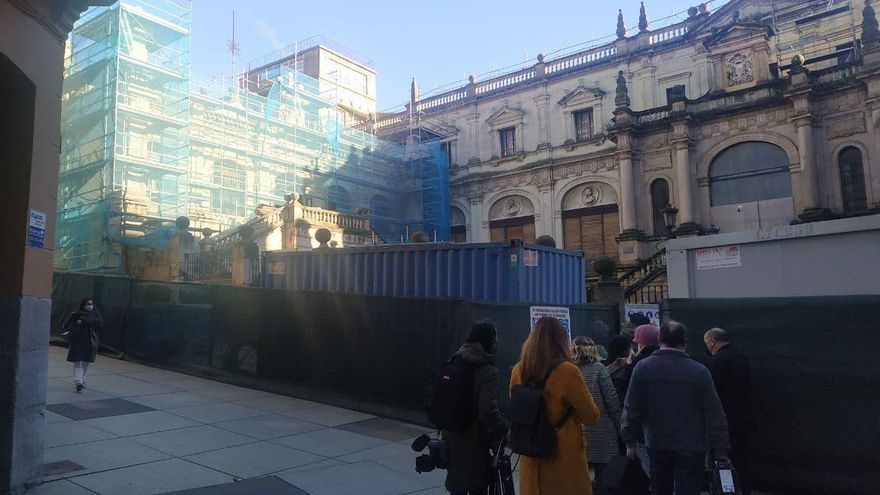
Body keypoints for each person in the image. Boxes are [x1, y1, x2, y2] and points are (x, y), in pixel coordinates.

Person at [622, 320, 729, 495]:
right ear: (684, 341)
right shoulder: (699, 371)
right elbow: (715, 414)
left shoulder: (643, 368)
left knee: (660, 488)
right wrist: (721, 451)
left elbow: (631, 407)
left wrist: (630, 442)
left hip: (657, 441)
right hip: (692, 444)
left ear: (659, 340)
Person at [509, 317, 600, 495]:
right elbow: (591, 417)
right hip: (562, 457)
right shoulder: (568, 371)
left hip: (530, 454)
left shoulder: (518, 370)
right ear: (561, 340)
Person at [443, 320, 507, 495]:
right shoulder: (487, 371)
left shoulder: (455, 360)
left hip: (451, 432)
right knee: (478, 485)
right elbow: (488, 410)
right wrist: (502, 428)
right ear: (490, 341)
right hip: (474, 438)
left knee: (457, 484)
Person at [704, 327, 752, 495]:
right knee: (741, 460)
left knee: (722, 462)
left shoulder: (716, 362)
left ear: (712, 342)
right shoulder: (742, 358)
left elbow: (712, 392)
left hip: (723, 420)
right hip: (744, 417)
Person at [573, 336, 622, 488]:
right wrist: (620, 425)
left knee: (581, 474)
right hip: (603, 430)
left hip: (579, 431)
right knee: (604, 476)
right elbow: (611, 399)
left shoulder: (570, 370)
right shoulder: (599, 369)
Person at [62, 298, 102, 392]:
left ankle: (82, 379)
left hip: (90, 341)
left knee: (86, 362)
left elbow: (99, 324)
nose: (90, 306)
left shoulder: (95, 315)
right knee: (78, 362)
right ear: (83, 305)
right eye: (88, 304)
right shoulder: (76, 314)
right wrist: (75, 323)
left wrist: (84, 321)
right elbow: (66, 326)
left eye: (91, 304)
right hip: (78, 341)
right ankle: (78, 382)